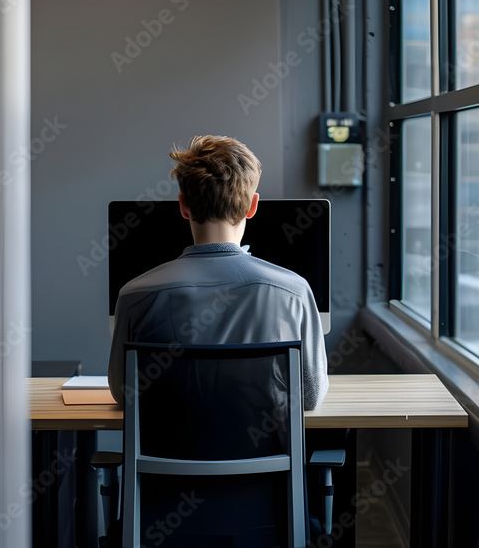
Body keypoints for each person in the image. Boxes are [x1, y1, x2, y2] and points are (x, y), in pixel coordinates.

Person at [107, 134, 329, 411]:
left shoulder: (134, 294)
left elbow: (122, 393)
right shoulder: (294, 291)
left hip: (168, 454)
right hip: (266, 454)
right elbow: (310, 397)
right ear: (252, 206)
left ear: (183, 206)